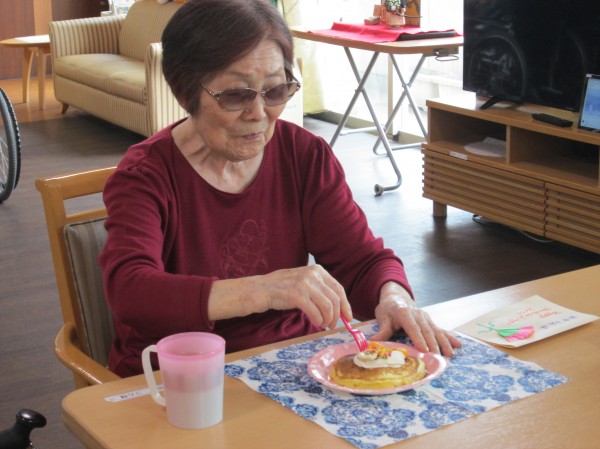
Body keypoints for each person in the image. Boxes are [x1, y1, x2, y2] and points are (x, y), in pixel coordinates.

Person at [100, 0, 461, 377]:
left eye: (275, 91)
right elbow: (130, 292)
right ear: (183, 92)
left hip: (289, 363)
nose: (259, 114)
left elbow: (361, 261)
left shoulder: (303, 155)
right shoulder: (146, 175)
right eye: (235, 95)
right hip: (179, 378)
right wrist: (265, 290)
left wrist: (394, 298)